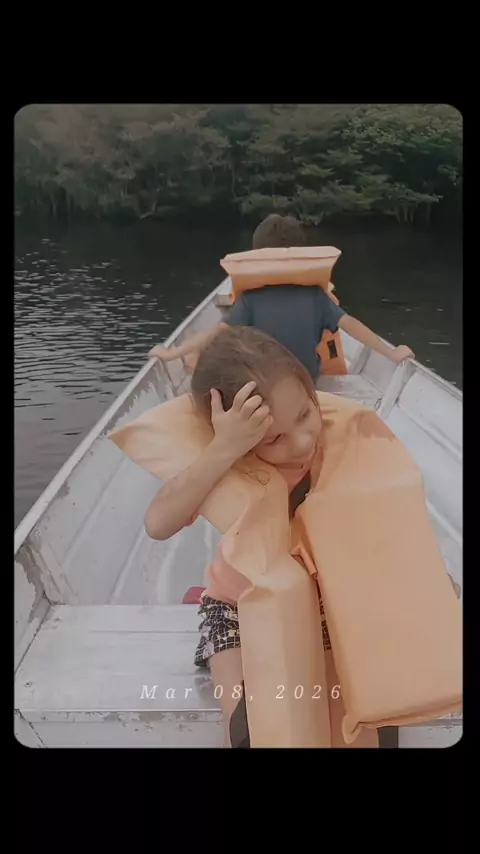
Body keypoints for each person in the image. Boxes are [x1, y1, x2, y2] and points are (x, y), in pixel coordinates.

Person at [144, 325, 325, 746]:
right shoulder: (231, 466)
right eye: (275, 439)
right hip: (236, 608)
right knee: (248, 727)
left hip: (323, 604)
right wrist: (224, 449)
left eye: (305, 415)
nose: (302, 443)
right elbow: (158, 524)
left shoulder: (344, 446)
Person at [148, 214, 414, 380]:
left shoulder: (251, 297)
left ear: (257, 254)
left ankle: (189, 361)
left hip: (264, 379)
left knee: (219, 351)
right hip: (306, 379)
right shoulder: (315, 295)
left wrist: (173, 353)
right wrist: (391, 353)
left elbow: (217, 333)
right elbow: (351, 325)